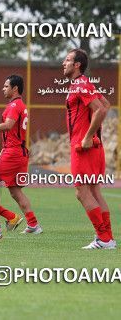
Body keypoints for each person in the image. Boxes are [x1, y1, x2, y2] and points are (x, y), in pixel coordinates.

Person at [62, 49, 115, 249]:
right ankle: (107, 238)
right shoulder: (83, 84)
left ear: (77, 65)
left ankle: (103, 238)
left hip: (83, 148)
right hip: (93, 147)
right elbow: (106, 104)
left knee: (82, 192)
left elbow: (101, 109)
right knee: (92, 190)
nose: (63, 63)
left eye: (67, 60)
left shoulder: (80, 85)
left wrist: (87, 137)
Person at [0, 75, 39, 234]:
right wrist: (3, 150)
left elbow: (8, 125)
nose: (3, 89)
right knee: (15, 191)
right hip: (17, 151)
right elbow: (14, 132)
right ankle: (33, 224)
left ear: (15, 88)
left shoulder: (13, 105)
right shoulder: (21, 105)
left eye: (6, 86)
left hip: (13, 152)